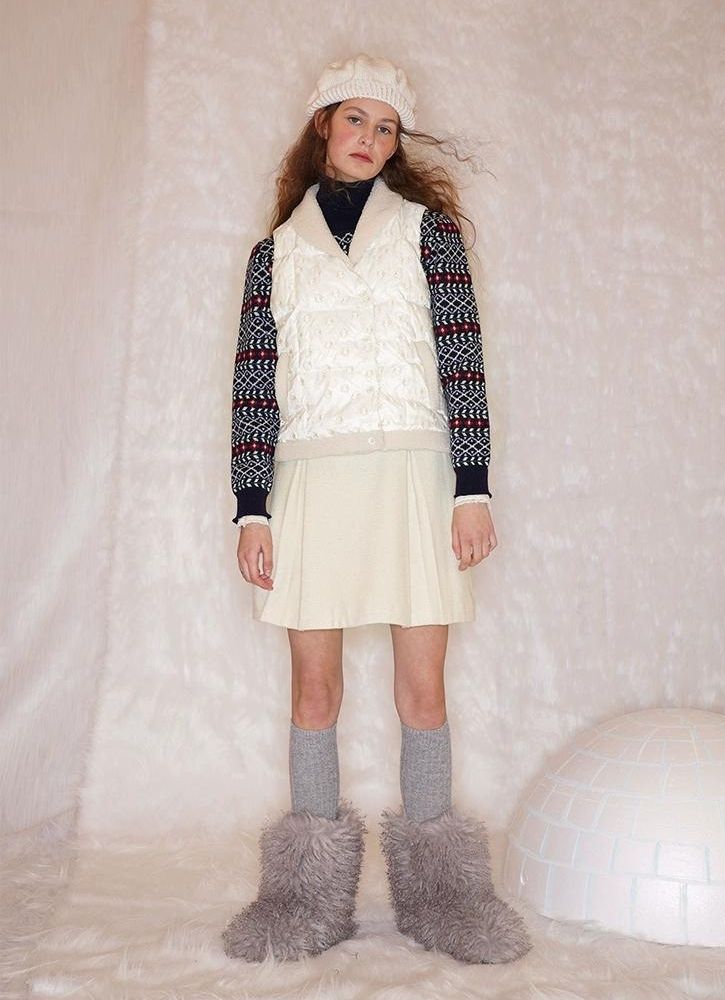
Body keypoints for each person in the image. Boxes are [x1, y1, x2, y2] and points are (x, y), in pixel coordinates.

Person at [222, 53, 531, 966]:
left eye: (385, 126)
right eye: (355, 119)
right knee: (313, 689)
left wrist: (470, 488)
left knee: (421, 688)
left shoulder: (429, 235)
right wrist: (251, 508)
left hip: (413, 477)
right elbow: (253, 386)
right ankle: (302, 900)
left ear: (397, 144)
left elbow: (463, 360)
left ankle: (445, 898)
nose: (369, 138)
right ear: (323, 124)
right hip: (310, 483)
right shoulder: (274, 255)